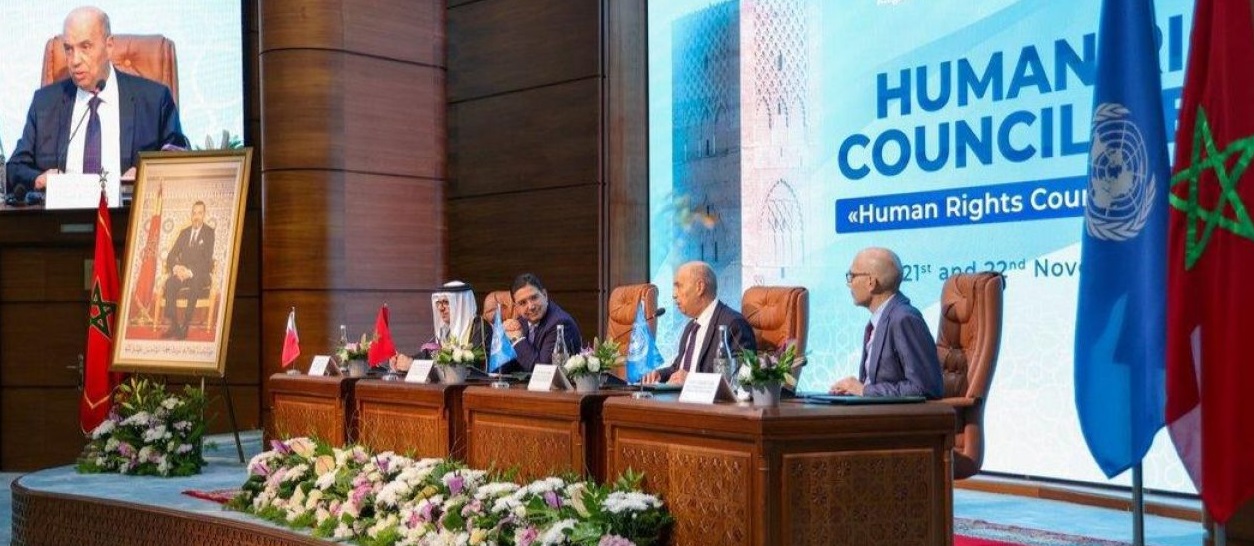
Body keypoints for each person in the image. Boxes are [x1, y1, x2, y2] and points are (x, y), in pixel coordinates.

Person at [4, 6, 188, 195]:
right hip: (62, 212)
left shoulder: (154, 100)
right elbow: (15, 168)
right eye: (68, 49)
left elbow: (178, 156)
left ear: (109, 46)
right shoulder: (45, 102)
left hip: (125, 211)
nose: (75, 60)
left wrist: (147, 173)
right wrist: (38, 179)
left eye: (85, 47)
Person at [829, 247, 943, 399]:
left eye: (852, 276)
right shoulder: (879, 319)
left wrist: (864, 391)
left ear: (871, 282)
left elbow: (924, 387)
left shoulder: (903, 318)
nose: (849, 284)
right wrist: (852, 390)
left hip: (890, 414)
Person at [643, 261, 756, 385]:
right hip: (678, 395)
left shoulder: (733, 324)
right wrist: (659, 375)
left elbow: (739, 378)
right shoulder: (691, 327)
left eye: (679, 286)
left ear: (700, 287)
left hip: (707, 398)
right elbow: (678, 368)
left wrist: (692, 380)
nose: (674, 295)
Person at [392, 281, 492, 372]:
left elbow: (472, 366)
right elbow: (429, 356)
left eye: (446, 302)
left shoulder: (479, 326)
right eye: (439, 303)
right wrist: (405, 361)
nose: (440, 308)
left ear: (461, 304)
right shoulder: (445, 331)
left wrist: (413, 366)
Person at [499, 273, 582, 373]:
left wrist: (517, 340)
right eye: (523, 303)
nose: (531, 306)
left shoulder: (560, 323)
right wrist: (504, 337)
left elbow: (543, 372)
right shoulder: (521, 322)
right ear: (516, 307)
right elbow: (500, 371)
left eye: (534, 298)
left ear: (545, 295)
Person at [162, 201, 214, 339]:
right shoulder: (184, 233)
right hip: (182, 273)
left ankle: (185, 324)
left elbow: (207, 260)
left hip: (200, 274)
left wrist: (189, 272)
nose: (196, 216)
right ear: (191, 215)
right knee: (170, 283)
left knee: (196, 282)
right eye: (194, 213)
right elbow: (171, 255)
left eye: (199, 213)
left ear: (204, 215)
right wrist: (177, 268)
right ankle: (174, 325)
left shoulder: (209, 233)